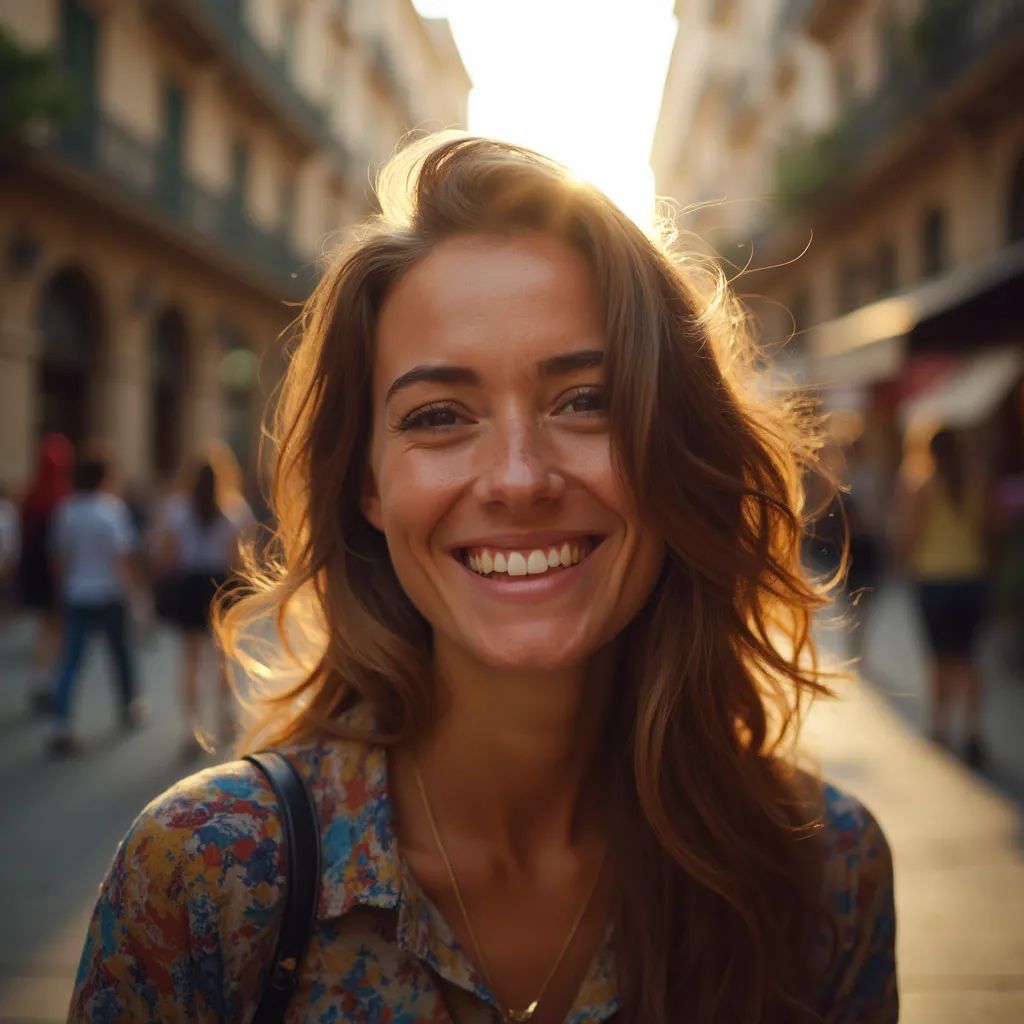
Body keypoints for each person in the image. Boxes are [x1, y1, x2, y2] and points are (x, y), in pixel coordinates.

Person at [70, 135, 897, 1023]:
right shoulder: (208, 874)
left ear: (677, 445)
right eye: (437, 416)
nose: (517, 477)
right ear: (369, 487)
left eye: (586, 400)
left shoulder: (822, 869)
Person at [155, 444, 254, 759]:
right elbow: (238, 560)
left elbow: (167, 557)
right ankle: (225, 716)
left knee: (190, 659)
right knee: (223, 654)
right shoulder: (234, 509)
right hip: (219, 585)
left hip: (188, 584)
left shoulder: (176, 509)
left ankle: (190, 726)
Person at [47, 451, 142, 757]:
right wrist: (134, 597)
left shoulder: (67, 511)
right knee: (120, 655)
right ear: (105, 477)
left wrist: (63, 590)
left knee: (71, 660)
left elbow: (59, 557)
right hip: (109, 594)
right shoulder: (111, 511)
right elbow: (121, 559)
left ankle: (61, 723)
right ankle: (129, 705)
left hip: (77, 593)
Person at [904, 427, 990, 766]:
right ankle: (973, 732)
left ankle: (941, 727)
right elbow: (989, 527)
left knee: (939, 658)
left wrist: (906, 561)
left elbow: (912, 532)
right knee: (967, 658)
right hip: (972, 575)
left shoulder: (923, 485)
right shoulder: (977, 481)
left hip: (934, 578)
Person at [15, 433, 72, 710]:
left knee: (45, 629)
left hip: (34, 572)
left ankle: (40, 679)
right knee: (58, 630)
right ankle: (50, 682)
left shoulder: (28, 497)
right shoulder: (63, 500)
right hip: (56, 574)